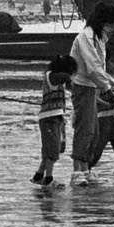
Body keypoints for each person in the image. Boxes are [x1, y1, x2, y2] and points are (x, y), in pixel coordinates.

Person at [69, 3, 114, 185]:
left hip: (92, 86)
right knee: (84, 130)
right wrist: (107, 88)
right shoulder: (86, 37)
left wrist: (106, 87)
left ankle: (85, 170)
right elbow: (93, 67)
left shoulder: (99, 38)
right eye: (111, 23)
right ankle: (78, 172)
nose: (112, 28)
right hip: (83, 86)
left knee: (93, 131)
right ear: (104, 22)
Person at [33, 54, 72, 187]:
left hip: (55, 116)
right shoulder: (53, 77)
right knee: (52, 150)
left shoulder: (52, 76)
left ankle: (38, 176)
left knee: (50, 149)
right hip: (49, 118)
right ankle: (48, 178)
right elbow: (66, 78)